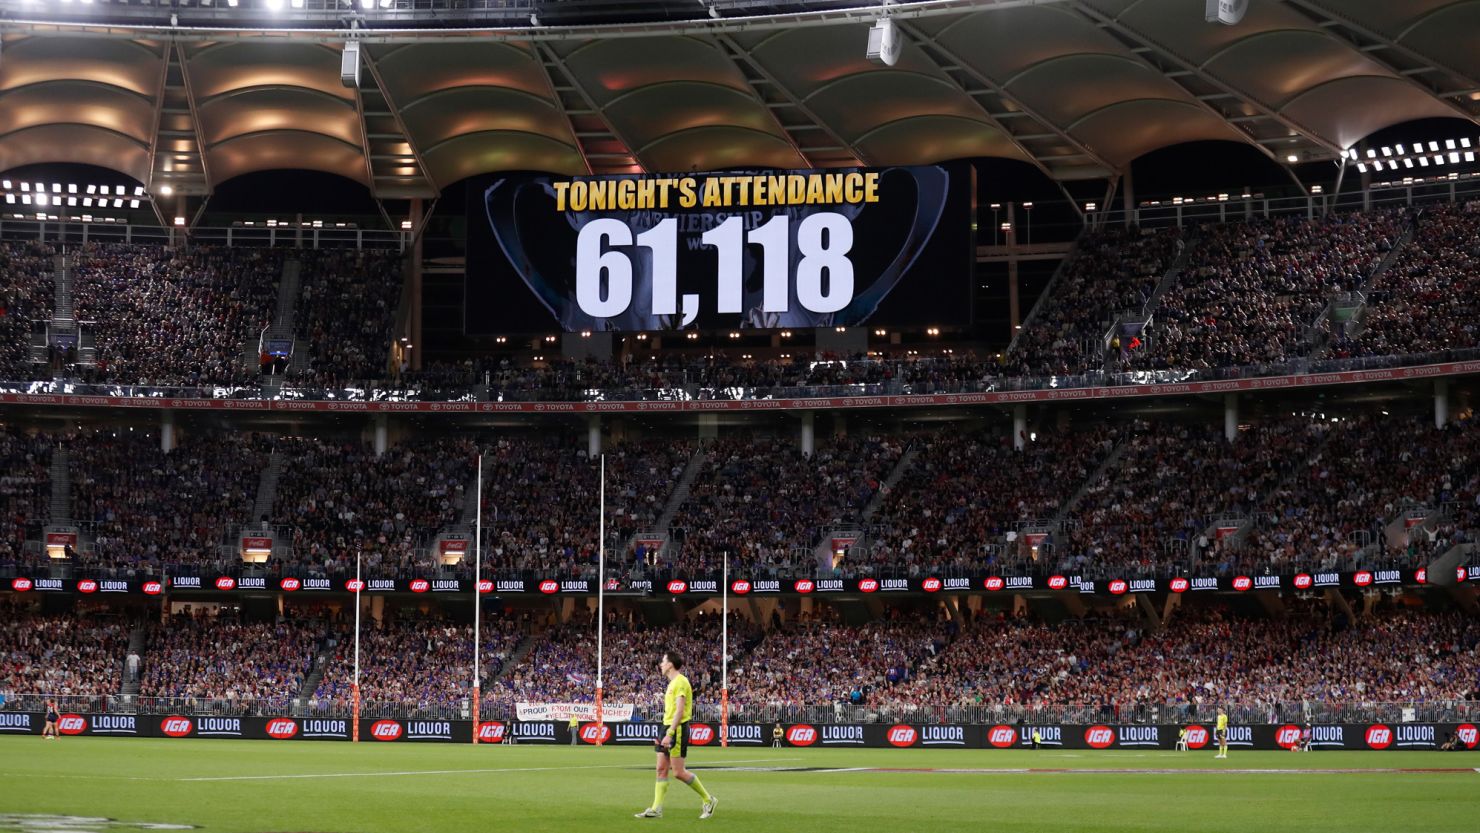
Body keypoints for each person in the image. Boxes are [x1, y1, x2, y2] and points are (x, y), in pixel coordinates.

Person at [635, 650, 717, 820]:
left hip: (676, 729)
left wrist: (670, 733)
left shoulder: (680, 682)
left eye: (663, 661)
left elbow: (680, 710)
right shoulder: (672, 683)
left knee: (678, 772)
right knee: (661, 769)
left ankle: (708, 799)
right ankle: (656, 808)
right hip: (667, 727)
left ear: (670, 664)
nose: (661, 664)